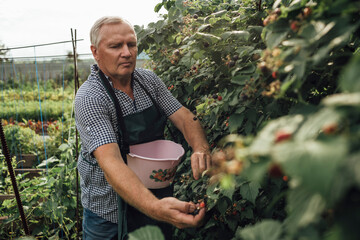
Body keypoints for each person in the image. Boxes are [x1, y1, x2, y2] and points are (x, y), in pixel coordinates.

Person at [75, 16, 212, 240]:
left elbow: (185, 118)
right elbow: (111, 163)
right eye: (115, 46)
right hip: (109, 215)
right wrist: (157, 208)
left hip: (156, 200)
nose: (127, 52)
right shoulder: (91, 97)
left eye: (131, 44)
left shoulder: (148, 81)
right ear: (95, 51)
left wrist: (200, 149)